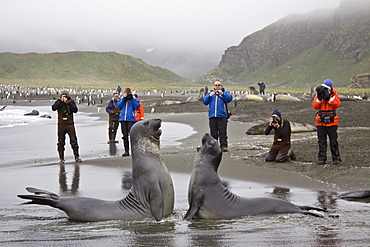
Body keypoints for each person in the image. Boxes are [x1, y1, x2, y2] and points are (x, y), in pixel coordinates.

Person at [312, 79, 342, 165]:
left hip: (332, 121)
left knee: (333, 141)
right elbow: (315, 105)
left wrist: (328, 98)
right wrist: (320, 98)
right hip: (321, 122)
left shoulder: (335, 95)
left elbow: (337, 104)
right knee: (321, 141)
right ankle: (322, 158)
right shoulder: (319, 96)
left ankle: (336, 158)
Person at [52, 91, 82, 164]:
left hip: (70, 124)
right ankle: (61, 158)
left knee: (74, 140)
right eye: (64, 96)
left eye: (66, 96)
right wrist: (60, 101)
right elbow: (53, 108)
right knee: (61, 142)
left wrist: (69, 102)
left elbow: (75, 110)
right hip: (61, 125)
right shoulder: (58, 102)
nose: (66, 98)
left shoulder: (71, 102)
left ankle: (77, 157)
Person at [202, 80, 233, 152]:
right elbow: (205, 101)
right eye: (216, 85)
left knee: (222, 132)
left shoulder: (225, 93)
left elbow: (229, 99)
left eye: (218, 85)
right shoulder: (210, 93)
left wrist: (222, 94)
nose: (217, 86)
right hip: (212, 115)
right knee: (213, 132)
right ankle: (213, 147)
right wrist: (210, 96)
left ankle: (224, 146)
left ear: (221, 86)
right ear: (213, 86)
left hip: (222, 115)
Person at [117, 88, 140, 156]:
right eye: (126, 93)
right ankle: (126, 151)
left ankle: (134, 151)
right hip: (123, 119)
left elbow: (137, 106)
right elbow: (118, 106)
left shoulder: (133, 98)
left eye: (128, 93)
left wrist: (132, 98)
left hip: (131, 119)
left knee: (132, 135)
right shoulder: (122, 99)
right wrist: (124, 98)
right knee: (125, 136)